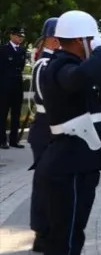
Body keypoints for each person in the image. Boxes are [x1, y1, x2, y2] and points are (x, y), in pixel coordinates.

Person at [36, 10, 101, 255]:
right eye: (90, 39)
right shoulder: (60, 66)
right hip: (68, 165)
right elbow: (79, 78)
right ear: (79, 40)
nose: (93, 45)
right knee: (66, 239)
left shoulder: (70, 64)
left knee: (73, 234)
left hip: (79, 162)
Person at [26, 18, 58, 252]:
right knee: (44, 183)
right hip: (46, 126)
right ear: (52, 38)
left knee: (51, 182)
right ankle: (41, 233)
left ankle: (47, 229)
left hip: (51, 126)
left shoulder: (53, 61)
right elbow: (47, 98)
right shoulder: (45, 63)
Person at [0, 27, 27, 149]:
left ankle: (13, 140)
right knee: (3, 113)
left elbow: (20, 67)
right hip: (5, 85)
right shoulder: (3, 50)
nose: (20, 38)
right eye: (17, 36)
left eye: (21, 36)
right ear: (11, 36)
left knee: (16, 114)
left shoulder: (22, 50)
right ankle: (2, 140)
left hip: (17, 85)